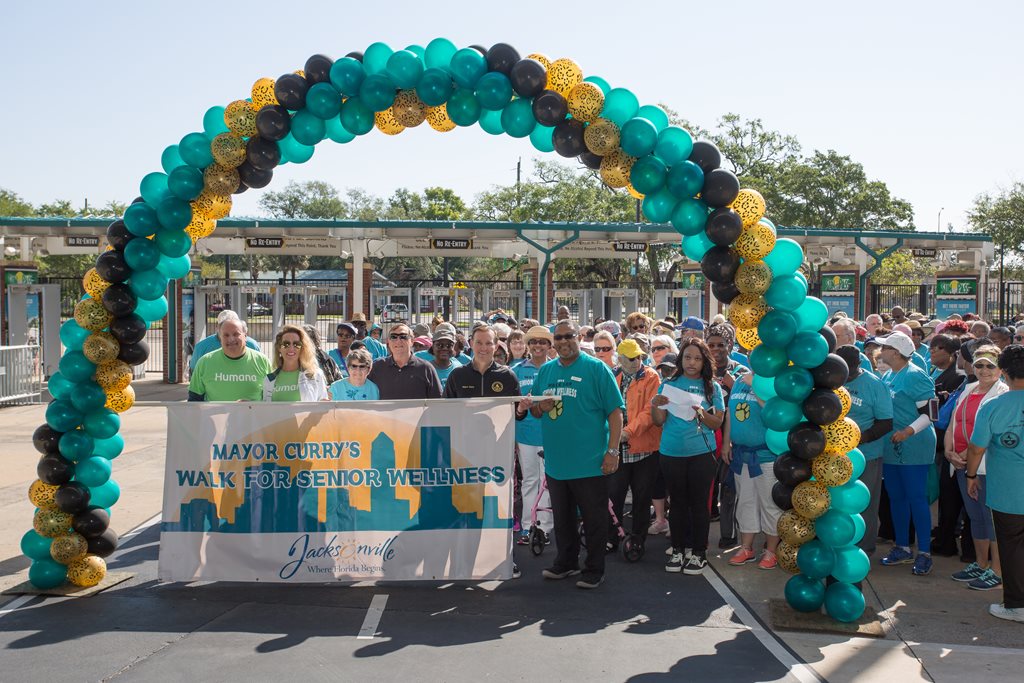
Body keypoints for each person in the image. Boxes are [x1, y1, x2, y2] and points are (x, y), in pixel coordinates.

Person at [527, 319, 624, 589]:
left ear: (578, 339)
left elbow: (615, 413)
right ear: (552, 343)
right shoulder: (545, 371)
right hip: (557, 462)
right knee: (563, 518)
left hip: (591, 461)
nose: (563, 341)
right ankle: (566, 563)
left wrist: (612, 451)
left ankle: (594, 569)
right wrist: (540, 408)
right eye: (558, 338)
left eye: (569, 336)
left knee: (594, 519)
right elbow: (535, 410)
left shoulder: (596, 369)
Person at [652, 338, 725, 575]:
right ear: (680, 360)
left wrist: (702, 413)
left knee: (699, 505)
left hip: (701, 453)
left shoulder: (711, 387)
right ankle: (678, 549)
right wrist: (656, 405)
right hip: (671, 453)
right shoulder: (668, 384)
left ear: (704, 361)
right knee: (678, 503)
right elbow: (658, 421)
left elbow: (717, 423)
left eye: (697, 358)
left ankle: (698, 552)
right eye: (687, 357)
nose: (691, 362)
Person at [966, 344, 1024, 622]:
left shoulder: (993, 406)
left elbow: (976, 448)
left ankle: (1016, 605)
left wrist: (970, 475)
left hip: (1008, 493)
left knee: (1011, 547)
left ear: (1005, 372)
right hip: (1008, 492)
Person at [878, 332, 938, 576]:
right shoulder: (888, 374)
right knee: (897, 498)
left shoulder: (915, 375)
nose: (880, 352)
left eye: (885, 348)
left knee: (916, 498)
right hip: (892, 446)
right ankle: (902, 547)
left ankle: (924, 552)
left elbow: (931, 412)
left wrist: (908, 431)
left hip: (915, 445)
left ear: (895, 352)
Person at [947, 345, 1006, 590]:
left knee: (992, 519)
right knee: (976, 517)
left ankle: (997, 570)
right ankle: (981, 564)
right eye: (979, 365)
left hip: (983, 465)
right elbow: (953, 422)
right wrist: (950, 450)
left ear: (1001, 369)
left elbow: (988, 433)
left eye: (990, 366)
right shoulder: (969, 388)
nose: (983, 370)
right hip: (961, 464)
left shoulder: (1002, 394)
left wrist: (963, 454)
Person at [835, 345, 893, 557]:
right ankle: (838, 541)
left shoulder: (875, 384)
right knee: (837, 503)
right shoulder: (830, 378)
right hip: (833, 455)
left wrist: (857, 439)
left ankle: (864, 548)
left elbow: (886, 422)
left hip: (865, 455)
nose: (844, 373)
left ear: (858, 365)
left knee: (863, 502)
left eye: (848, 368)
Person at [721, 370, 781, 569]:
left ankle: (771, 551)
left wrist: (756, 387)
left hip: (766, 457)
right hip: (741, 455)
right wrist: (726, 442)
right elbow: (731, 412)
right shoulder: (740, 379)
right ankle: (746, 548)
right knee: (745, 502)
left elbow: (774, 416)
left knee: (769, 504)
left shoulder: (773, 380)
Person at [608, 339, 662, 553]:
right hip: (619, 449)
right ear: (620, 359)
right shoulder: (613, 376)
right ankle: (612, 537)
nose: (636, 361)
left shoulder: (651, 376)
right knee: (614, 497)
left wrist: (627, 432)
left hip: (645, 449)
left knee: (642, 499)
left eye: (639, 356)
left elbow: (650, 412)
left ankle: (638, 539)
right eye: (631, 358)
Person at [705, 322, 749, 548]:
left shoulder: (740, 373)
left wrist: (735, 387)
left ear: (729, 346)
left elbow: (746, 407)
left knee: (730, 489)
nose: (716, 349)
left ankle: (728, 535)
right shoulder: (699, 371)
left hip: (731, 440)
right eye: (711, 344)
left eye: (721, 345)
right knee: (704, 489)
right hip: (704, 439)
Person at [514, 325, 554, 547]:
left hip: (551, 433)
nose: (538, 345)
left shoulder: (556, 369)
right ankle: (529, 525)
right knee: (530, 480)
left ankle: (544, 527)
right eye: (533, 342)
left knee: (547, 482)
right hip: (526, 434)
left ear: (549, 345)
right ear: (528, 345)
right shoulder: (517, 370)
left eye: (542, 341)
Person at [189, 317, 271, 402]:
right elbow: (194, 400)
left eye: (236, 334)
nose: (231, 339)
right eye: (226, 335)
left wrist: (253, 407)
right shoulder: (205, 362)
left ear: (245, 336)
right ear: (220, 338)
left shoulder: (263, 362)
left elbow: (271, 398)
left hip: (253, 415)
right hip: (214, 415)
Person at [368, 323, 442, 400]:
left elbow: (437, 402)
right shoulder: (377, 367)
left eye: (403, 337)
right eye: (393, 337)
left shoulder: (426, 368)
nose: (398, 341)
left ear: (412, 341)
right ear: (388, 342)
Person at [262, 324, 329, 402]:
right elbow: (265, 410)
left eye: (296, 344)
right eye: (286, 344)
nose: (291, 348)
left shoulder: (315, 375)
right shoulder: (269, 379)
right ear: (279, 348)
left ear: (303, 348)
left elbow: (322, 406)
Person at [189, 310, 261, 370]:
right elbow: (195, 372)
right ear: (218, 328)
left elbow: (261, 372)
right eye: (225, 326)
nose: (231, 339)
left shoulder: (252, 345)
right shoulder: (202, 347)